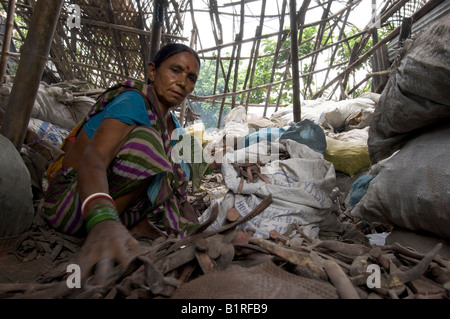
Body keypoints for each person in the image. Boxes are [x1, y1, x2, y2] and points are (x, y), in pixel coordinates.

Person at [43, 43, 209, 285]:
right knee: (147, 142)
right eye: (175, 70)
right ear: (152, 71)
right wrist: (103, 219)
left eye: (191, 77)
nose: (183, 82)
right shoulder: (133, 100)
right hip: (71, 204)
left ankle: (135, 224)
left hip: (111, 211)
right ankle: (109, 224)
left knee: (176, 160)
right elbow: (94, 158)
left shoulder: (171, 124)